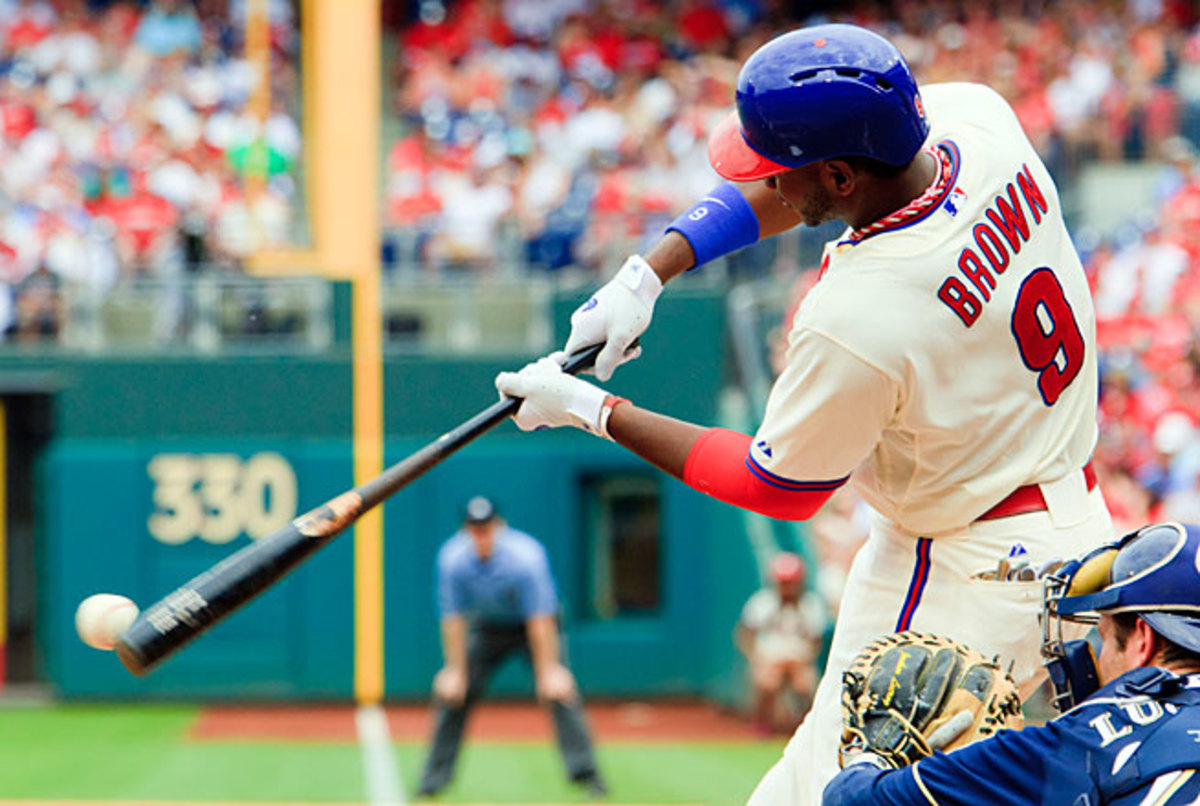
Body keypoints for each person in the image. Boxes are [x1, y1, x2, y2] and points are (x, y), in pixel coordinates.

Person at [494, 22, 1114, 805]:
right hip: (1072, 520)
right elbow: (806, 184)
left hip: (964, 561)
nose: (767, 182)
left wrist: (592, 408)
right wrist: (647, 273)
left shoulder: (858, 312)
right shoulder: (978, 122)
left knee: (823, 794)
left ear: (843, 176)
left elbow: (777, 487)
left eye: (781, 168)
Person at [824, 521, 1200, 805]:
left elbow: (853, 800)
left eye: (1100, 637)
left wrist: (878, 750)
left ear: (1142, 639)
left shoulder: (1090, 737)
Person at [416, 495, 607, 799]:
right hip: (488, 627)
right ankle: (432, 781)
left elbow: (540, 619)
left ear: (498, 526)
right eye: (474, 529)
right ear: (466, 530)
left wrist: (549, 670)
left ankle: (588, 776)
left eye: (486, 528)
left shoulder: (526, 556)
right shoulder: (452, 559)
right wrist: (454, 670)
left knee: (559, 691)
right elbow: (453, 619)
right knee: (454, 694)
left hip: (534, 625)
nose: (481, 536)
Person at [736, 552, 825, 735]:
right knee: (768, 682)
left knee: (805, 684)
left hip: (799, 659)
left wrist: (804, 657)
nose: (788, 588)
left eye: (791, 582)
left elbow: (816, 641)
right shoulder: (762, 602)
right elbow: (745, 634)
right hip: (769, 658)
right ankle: (762, 724)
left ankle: (806, 728)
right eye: (784, 583)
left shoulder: (811, 604)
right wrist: (756, 658)